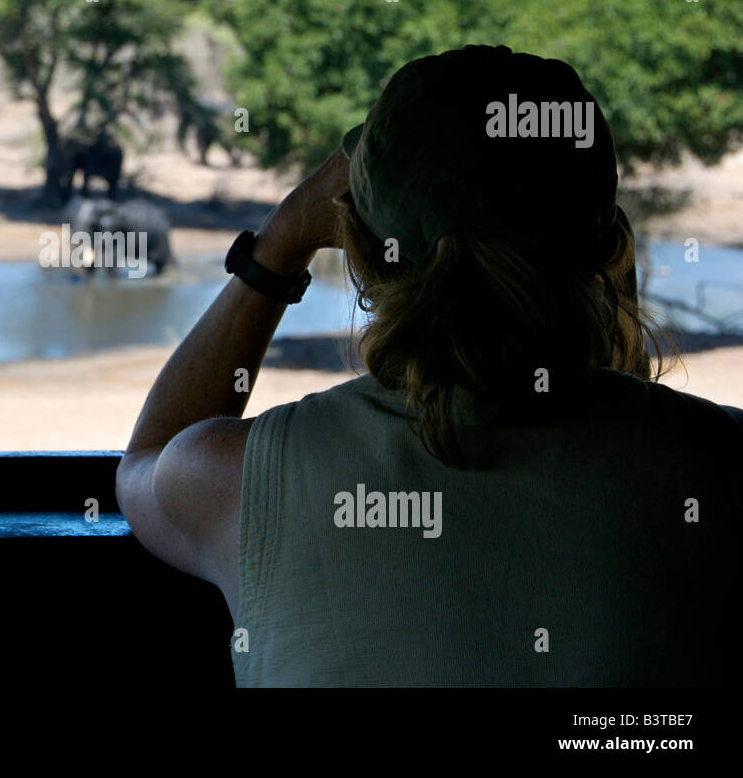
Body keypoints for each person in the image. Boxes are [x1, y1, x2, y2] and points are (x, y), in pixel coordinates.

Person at [116, 45, 742, 687]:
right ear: (609, 241)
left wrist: (279, 244)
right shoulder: (721, 461)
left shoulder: (245, 477)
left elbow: (145, 462)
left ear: (358, 249)